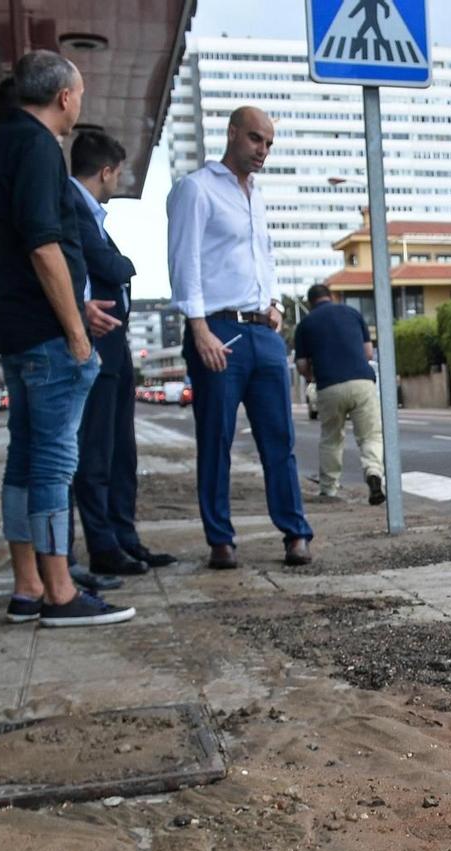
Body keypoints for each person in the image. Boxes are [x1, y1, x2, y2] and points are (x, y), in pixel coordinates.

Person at [0, 50, 132, 628]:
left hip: (15, 326)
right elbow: (42, 244)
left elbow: (18, 250)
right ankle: (60, 593)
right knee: (56, 463)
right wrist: (75, 330)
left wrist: (75, 302)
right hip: (45, 336)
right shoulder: (38, 148)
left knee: (25, 460)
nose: (79, 104)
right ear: (64, 97)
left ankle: (27, 586)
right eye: (79, 95)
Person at [167, 105, 313, 570]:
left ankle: (295, 533)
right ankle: (220, 540)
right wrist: (199, 327)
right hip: (217, 329)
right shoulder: (196, 189)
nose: (262, 151)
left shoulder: (258, 196)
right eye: (255, 139)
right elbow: (183, 260)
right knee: (216, 439)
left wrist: (274, 305)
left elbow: (262, 257)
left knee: (279, 439)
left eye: (268, 143)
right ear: (232, 134)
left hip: (262, 331)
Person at [67, 130, 173, 577]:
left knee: (120, 452)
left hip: (113, 346)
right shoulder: (71, 207)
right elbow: (111, 267)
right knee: (96, 454)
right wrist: (124, 266)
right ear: (107, 171)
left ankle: (125, 539)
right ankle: (105, 546)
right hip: (94, 346)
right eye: (119, 173)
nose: (120, 180)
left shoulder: (91, 213)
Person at [293, 284, 385, 505]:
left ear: (310, 302)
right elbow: (368, 352)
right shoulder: (352, 313)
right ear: (331, 297)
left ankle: (329, 489)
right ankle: (373, 473)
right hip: (362, 382)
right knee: (370, 435)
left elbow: (302, 364)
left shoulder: (305, 323)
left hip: (329, 386)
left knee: (331, 439)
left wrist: (311, 376)